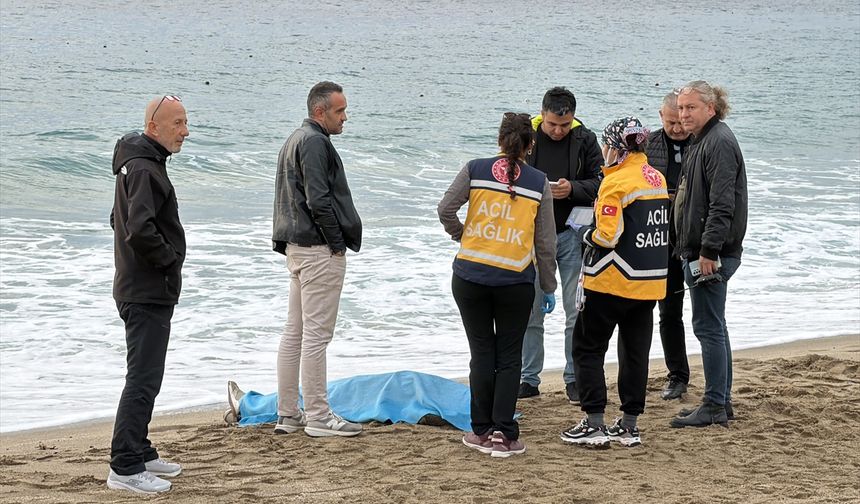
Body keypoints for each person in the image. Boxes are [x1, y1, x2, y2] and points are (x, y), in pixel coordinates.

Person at [438, 112, 557, 458]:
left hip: (469, 276)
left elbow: (445, 208)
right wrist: (548, 286)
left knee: (481, 353)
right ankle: (503, 434)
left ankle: (480, 430)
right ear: (530, 146)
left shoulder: (475, 169)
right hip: (515, 280)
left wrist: (464, 237)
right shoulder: (539, 182)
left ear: (499, 140)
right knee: (509, 357)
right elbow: (545, 243)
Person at [560, 117, 669, 448]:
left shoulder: (615, 182)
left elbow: (608, 236)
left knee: (588, 348)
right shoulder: (657, 178)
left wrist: (585, 232)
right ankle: (630, 425)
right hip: (648, 283)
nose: (604, 152)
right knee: (635, 353)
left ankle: (594, 423)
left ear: (616, 149)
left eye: (607, 146)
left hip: (611, 281)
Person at [107, 94, 189, 494]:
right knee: (142, 378)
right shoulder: (142, 167)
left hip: (139, 286)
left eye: (185, 123)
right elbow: (137, 229)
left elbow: (115, 219)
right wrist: (169, 260)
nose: (185, 132)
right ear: (153, 127)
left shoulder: (139, 163)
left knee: (147, 376)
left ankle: (139, 449)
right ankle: (124, 466)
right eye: (177, 124)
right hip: (145, 290)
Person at [272, 81, 363, 437]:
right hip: (316, 248)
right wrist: (336, 244)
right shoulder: (313, 142)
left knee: (294, 333)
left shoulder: (295, 138)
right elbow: (318, 200)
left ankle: (288, 413)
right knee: (315, 336)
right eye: (340, 111)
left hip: (296, 246)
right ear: (319, 111)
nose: (345, 117)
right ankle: (319, 416)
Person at [518, 87, 603, 404]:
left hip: (571, 233)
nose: (558, 130)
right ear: (543, 114)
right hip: (531, 237)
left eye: (564, 125)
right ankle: (528, 379)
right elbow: (507, 174)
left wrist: (573, 188)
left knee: (575, 311)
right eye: (553, 124)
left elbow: (601, 181)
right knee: (530, 313)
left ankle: (573, 378)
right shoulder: (527, 135)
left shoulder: (585, 139)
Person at [670, 81, 747, 428]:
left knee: (708, 326)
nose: (683, 114)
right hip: (703, 249)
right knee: (715, 324)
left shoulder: (718, 142)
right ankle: (722, 401)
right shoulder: (704, 140)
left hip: (711, 253)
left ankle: (715, 403)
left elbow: (722, 204)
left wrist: (708, 251)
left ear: (711, 108)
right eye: (681, 108)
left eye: (691, 108)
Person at [646, 91, 692, 401]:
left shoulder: (701, 144)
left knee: (672, 313)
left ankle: (678, 376)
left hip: (686, 239)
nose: (676, 128)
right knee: (640, 311)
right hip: (651, 238)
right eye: (670, 122)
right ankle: (636, 371)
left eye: (680, 122)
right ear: (661, 117)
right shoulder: (648, 144)